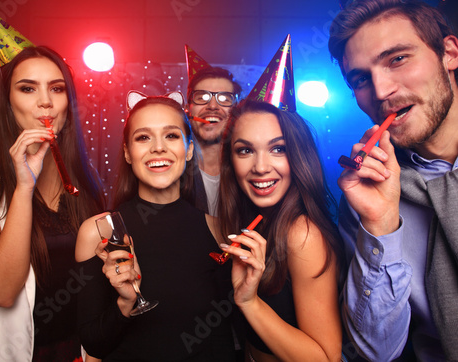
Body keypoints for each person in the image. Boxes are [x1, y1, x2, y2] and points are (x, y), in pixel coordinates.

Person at [328, 0, 458, 360]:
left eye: (398, 59)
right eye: (360, 78)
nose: (381, 90)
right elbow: (377, 352)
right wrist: (380, 224)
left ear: (449, 53)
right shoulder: (367, 194)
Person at [0, 45, 105, 361]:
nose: (46, 102)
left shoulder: (83, 178)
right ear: (8, 103)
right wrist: (24, 189)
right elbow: (0, 291)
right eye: (28, 88)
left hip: (77, 352)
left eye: (57, 88)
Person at [76, 91, 236, 361]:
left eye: (171, 135)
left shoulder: (217, 230)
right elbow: (93, 344)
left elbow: (222, 337)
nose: (158, 147)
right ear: (127, 153)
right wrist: (126, 303)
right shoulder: (98, 231)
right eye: (143, 137)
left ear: (188, 150)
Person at [217, 99, 345, 362]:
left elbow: (325, 358)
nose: (261, 167)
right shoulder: (255, 218)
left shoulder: (302, 234)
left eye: (278, 148)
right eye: (245, 151)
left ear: (299, 154)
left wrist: (250, 303)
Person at [186, 67, 242, 215]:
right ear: (188, 109)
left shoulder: (248, 170)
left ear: (235, 111)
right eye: (202, 97)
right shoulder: (171, 170)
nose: (212, 106)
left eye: (224, 99)